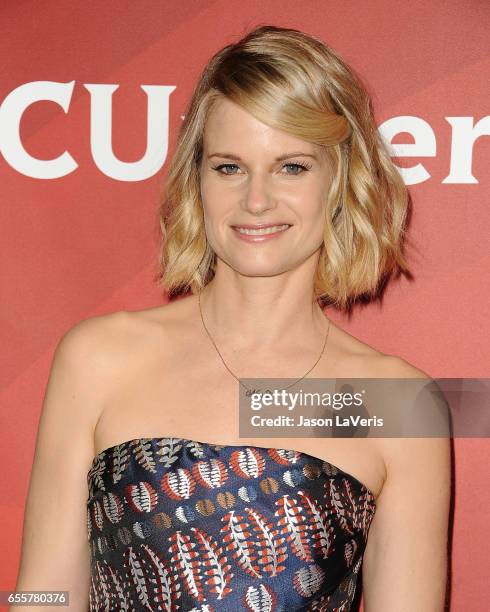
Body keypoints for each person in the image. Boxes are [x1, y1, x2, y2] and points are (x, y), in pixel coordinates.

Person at [13, 25, 451, 611]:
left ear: (341, 181)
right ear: (196, 178)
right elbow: (43, 595)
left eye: (292, 166)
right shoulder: (99, 356)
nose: (256, 199)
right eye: (229, 167)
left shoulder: (399, 403)